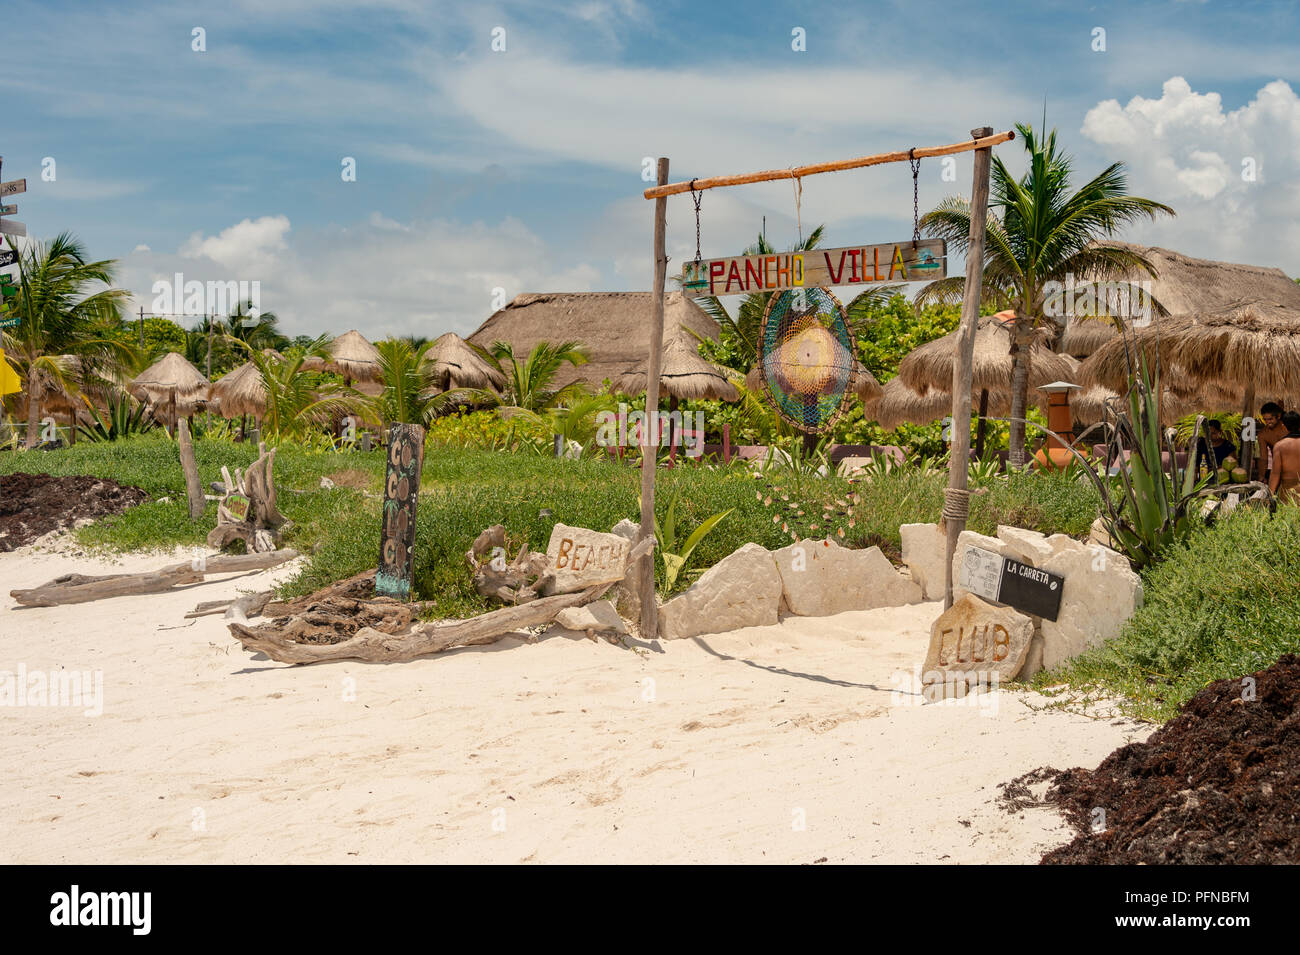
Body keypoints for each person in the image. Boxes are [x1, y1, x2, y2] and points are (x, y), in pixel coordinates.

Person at [1269, 411, 1300, 504]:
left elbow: (1275, 473)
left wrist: (1271, 494)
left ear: (1283, 426)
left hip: (1288, 492)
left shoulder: (1280, 446)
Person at [1255, 401, 1287, 481]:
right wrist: (1262, 476)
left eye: (1270, 419)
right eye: (1265, 419)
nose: (1267, 422)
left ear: (1278, 416)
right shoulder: (1263, 434)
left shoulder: (1288, 428)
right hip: (1277, 469)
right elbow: (1263, 458)